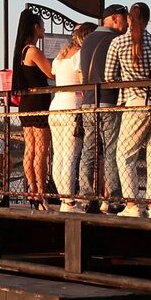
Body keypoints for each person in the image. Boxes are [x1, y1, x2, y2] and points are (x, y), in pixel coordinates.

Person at [105, 2, 151, 217]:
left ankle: (132, 204)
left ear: (130, 19)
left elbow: (109, 78)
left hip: (134, 103)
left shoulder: (118, 43)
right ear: (148, 19)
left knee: (124, 154)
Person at [78, 4, 128, 210]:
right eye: (125, 19)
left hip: (88, 101)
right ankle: (115, 198)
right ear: (116, 18)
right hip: (108, 99)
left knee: (88, 149)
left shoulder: (87, 39)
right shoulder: (115, 40)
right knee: (111, 149)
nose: (126, 24)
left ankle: (86, 195)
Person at [10, 7, 55, 208]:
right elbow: (51, 73)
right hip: (38, 104)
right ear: (35, 28)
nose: (44, 29)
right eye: (42, 26)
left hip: (26, 106)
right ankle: (40, 191)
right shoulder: (33, 51)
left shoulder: (20, 51)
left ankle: (32, 189)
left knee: (30, 149)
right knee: (42, 150)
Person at [48, 24, 89, 211]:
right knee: (72, 157)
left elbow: (54, 73)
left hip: (55, 105)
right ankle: (70, 201)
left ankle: (65, 199)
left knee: (59, 157)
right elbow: (82, 82)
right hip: (72, 106)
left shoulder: (60, 56)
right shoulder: (79, 55)